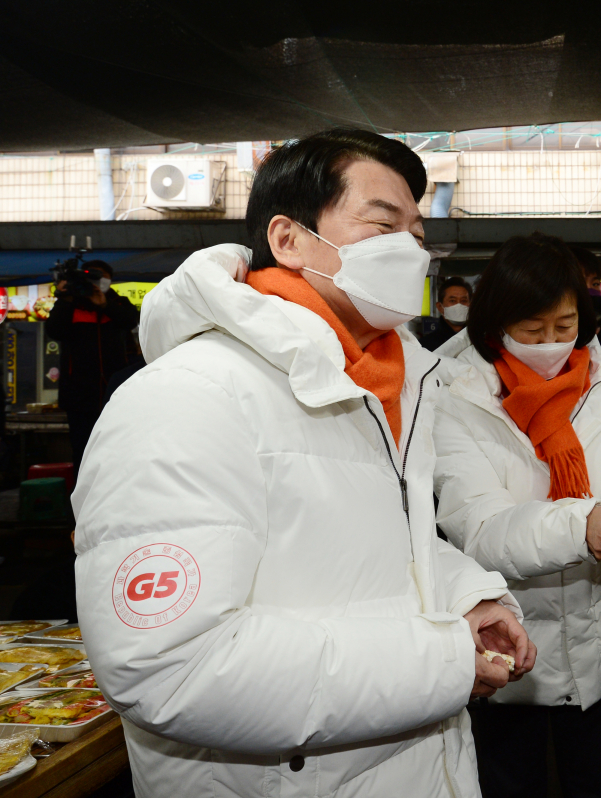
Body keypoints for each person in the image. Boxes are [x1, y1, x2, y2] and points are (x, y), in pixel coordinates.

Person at [72, 129, 533, 798]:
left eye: (417, 232)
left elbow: (369, 546)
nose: (410, 249)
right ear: (288, 239)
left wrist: (467, 595)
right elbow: (171, 669)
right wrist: (444, 660)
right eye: (383, 225)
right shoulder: (189, 397)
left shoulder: (382, 386)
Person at [433, 233, 601, 798]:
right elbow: (481, 529)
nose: (551, 344)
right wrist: (583, 525)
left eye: (564, 326)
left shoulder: (600, 379)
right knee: (510, 782)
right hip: (510, 646)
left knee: (596, 780)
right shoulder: (453, 395)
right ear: (496, 323)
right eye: (532, 330)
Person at [44, 259, 139, 479]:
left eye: (102, 277)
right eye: (92, 276)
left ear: (110, 280)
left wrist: (105, 304)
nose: (97, 282)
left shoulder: (117, 303)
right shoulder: (71, 305)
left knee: (117, 449)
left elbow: (130, 320)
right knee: (83, 450)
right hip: (79, 396)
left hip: (115, 394)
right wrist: (65, 298)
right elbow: (54, 330)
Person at [421, 275, 472, 351]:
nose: (458, 305)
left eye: (463, 301)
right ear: (440, 307)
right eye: (452, 301)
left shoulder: (481, 341)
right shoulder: (425, 345)